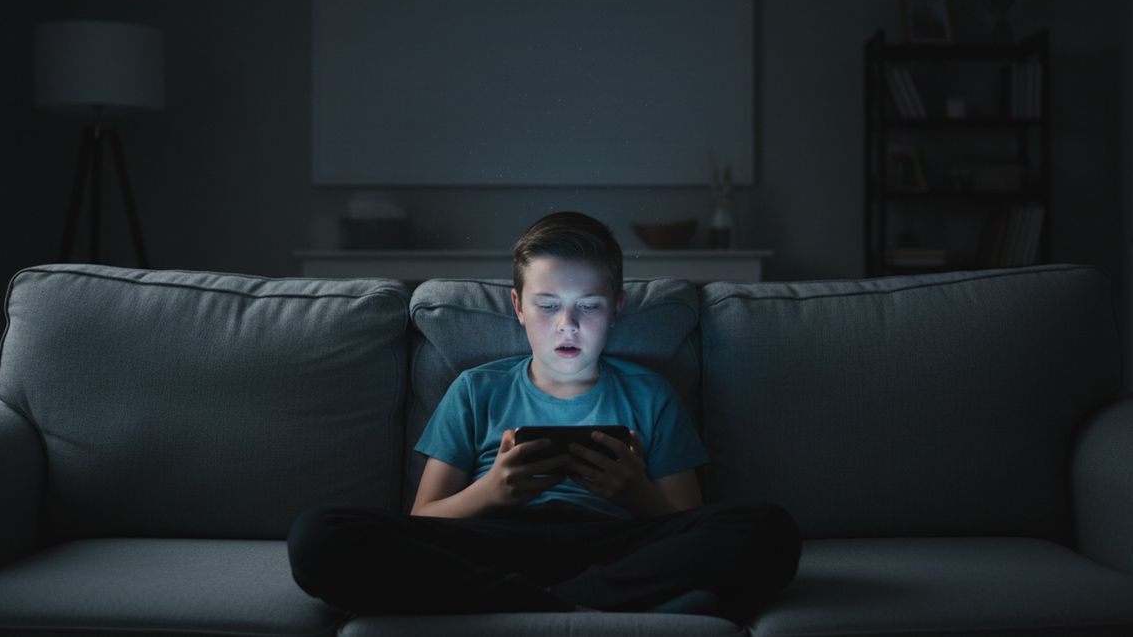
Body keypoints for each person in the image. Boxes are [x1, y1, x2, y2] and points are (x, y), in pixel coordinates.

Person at [287, 212, 801, 618]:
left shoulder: (650, 393)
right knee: (318, 534)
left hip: (614, 546)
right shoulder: (477, 389)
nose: (568, 325)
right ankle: (578, 602)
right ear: (518, 306)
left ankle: (542, 598)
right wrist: (490, 492)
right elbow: (424, 519)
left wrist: (634, 493)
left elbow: (685, 523)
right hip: (490, 544)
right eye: (549, 305)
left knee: (768, 529)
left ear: (617, 307)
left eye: (589, 306)